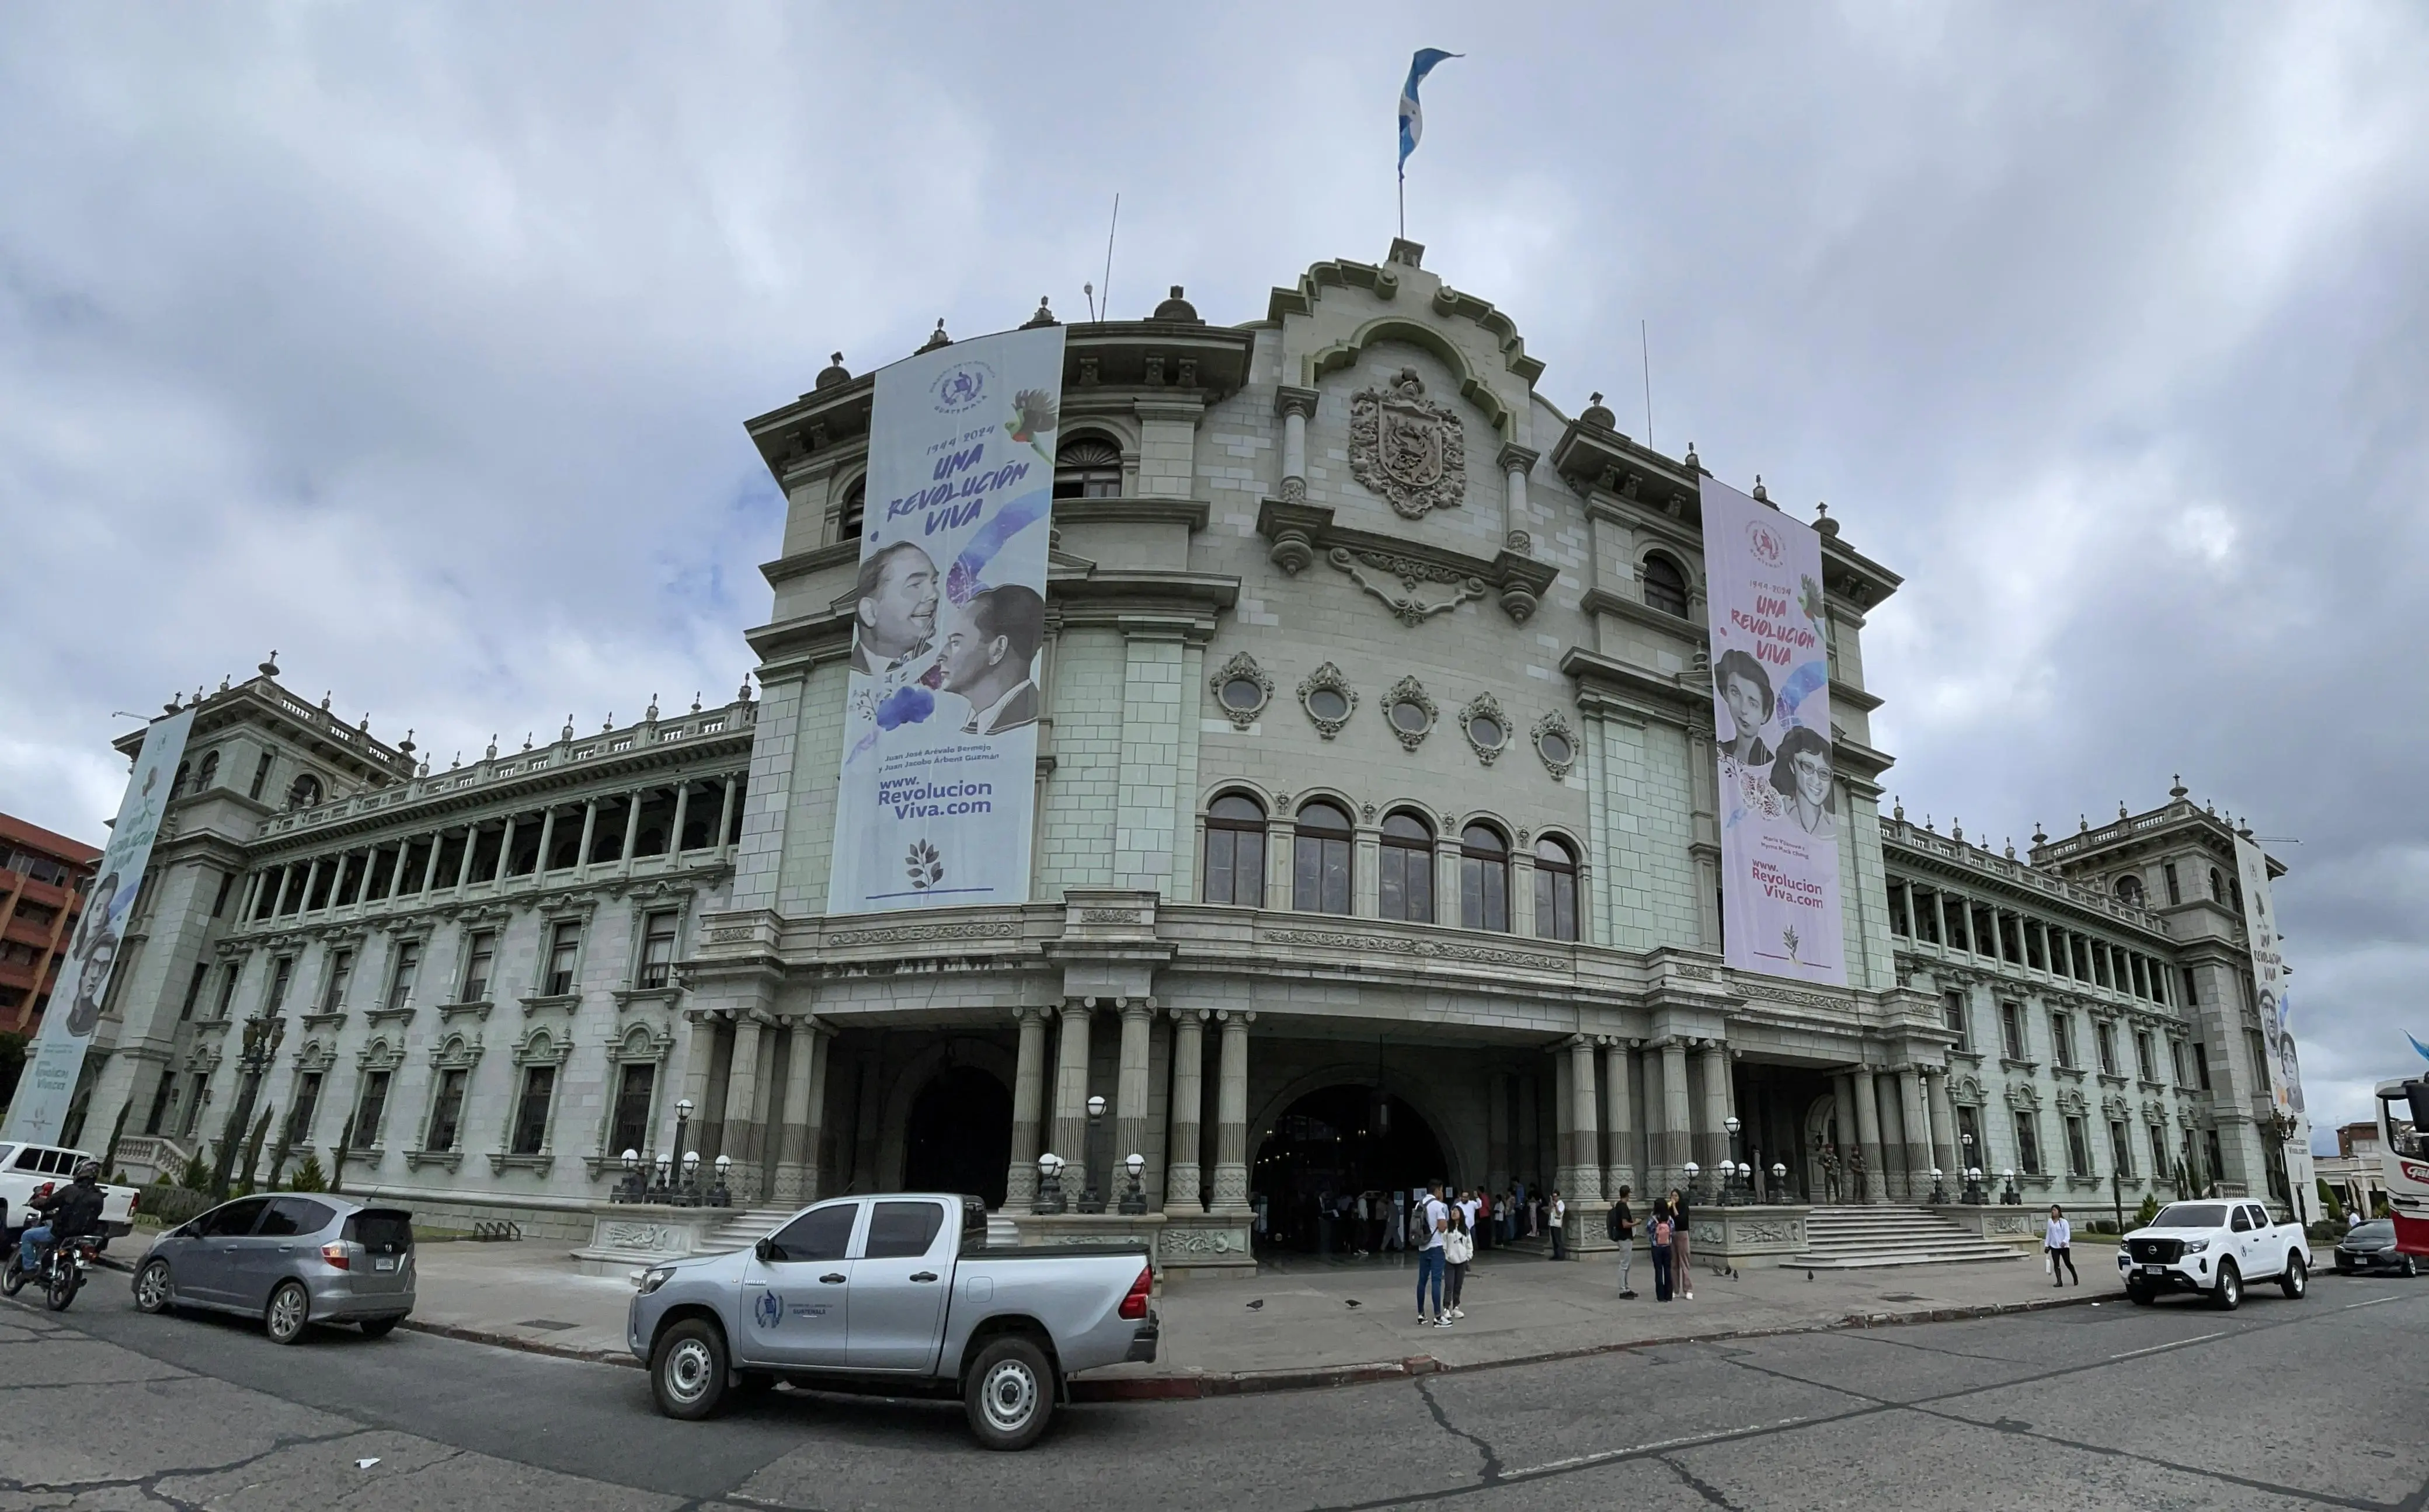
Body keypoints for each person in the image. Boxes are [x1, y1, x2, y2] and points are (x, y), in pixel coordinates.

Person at [940, 583, 1045, 735]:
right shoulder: (973, 727)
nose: (940, 656)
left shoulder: (1026, 725)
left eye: (956, 642)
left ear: (998, 649)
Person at [848, 542, 942, 678]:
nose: (934, 595)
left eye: (934, 582)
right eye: (915, 585)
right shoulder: (855, 674)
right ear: (870, 612)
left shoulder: (945, 663)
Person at [18, 1159, 107, 1281]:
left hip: (62, 1232)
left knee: (27, 1236)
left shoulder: (70, 1190)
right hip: (83, 1235)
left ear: (80, 1173)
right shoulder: (99, 1195)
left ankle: (29, 1269)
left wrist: (36, 1202)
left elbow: (49, 1203)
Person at [1769, 724, 1836, 840]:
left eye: (1824, 773)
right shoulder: (1772, 808)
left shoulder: (1834, 827)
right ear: (1792, 767)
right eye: (1808, 767)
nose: (1816, 780)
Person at [1714, 649, 1776, 768]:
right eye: (1735, 693)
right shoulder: (1722, 750)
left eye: (1753, 703)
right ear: (1725, 694)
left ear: (1765, 714)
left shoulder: (1771, 763)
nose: (1743, 710)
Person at [1415, 1182, 1450, 1326]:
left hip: (1423, 1247)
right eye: (1442, 1190)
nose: (1442, 1193)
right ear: (1437, 1191)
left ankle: (1421, 1315)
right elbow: (1442, 1227)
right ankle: (1438, 1316)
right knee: (1436, 1281)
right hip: (1436, 1246)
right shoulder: (1437, 1205)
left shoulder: (1419, 1204)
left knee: (1422, 1281)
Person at [1442, 1204, 1474, 1321]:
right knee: (1449, 1285)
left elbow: (1469, 1245)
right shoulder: (1447, 1229)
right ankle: (1446, 1308)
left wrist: (1468, 1257)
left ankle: (1456, 1307)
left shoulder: (1465, 1230)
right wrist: (1446, 1256)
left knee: (1458, 1286)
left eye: (1456, 1211)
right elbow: (1444, 1244)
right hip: (1450, 1262)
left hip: (1462, 1262)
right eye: (1453, 1211)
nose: (1454, 1213)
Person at [1607, 1184, 1637, 1298]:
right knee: (1624, 1264)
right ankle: (1622, 1289)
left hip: (1623, 1237)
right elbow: (1625, 1224)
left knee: (1627, 1264)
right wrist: (1636, 1223)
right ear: (1628, 1194)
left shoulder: (1618, 1206)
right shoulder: (1623, 1207)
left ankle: (1626, 1287)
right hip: (1625, 1237)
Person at [1669, 1189, 1694, 1300]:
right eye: (1672, 1196)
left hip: (1682, 1234)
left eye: (1676, 1196)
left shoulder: (1684, 1207)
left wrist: (1674, 1207)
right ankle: (1675, 1289)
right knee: (1674, 1264)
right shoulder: (1669, 1208)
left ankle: (1688, 1289)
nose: (1674, 1198)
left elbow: (1680, 1220)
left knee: (1684, 1262)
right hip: (1672, 1235)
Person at [2045, 1205, 2078, 1287]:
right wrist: (2047, 1245)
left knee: (2067, 1262)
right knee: (2056, 1264)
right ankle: (2059, 1281)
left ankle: (2075, 1277)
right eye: (2052, 1210)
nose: (2053, 1212)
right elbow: (2049, 1234)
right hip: (2054, 1246)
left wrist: (2065, 1241)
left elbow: (2067, 1234)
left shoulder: (2063, 1222)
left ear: (2059, 1212)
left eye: (2055, 1210)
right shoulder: (2050, 1222)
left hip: (2063, 1247)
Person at [1650, 1204, 1675, 1302]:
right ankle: (1669, 1295)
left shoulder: (1654, 1219)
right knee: (1668, 1270)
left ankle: (1660, 1296)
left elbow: (1649, 1229)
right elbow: (1672, 1230)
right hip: (1667, 1247)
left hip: (1656, 1247)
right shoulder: (1669, 1219)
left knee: (1659, 1271)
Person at [1549, 1189, 1568, 1260]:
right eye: (1553, 1197)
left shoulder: (1561, 1204)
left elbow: (1559, 1213)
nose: (1555, 1198)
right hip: (1552, 1223)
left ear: (1558, 1197)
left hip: (1557, 1224)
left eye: (1555, 1196)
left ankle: (1561, 1255)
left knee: (1558, 1240)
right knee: (1554, 1241)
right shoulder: (1553, 1204)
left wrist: (1556, 1206)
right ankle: (1556, 1255)